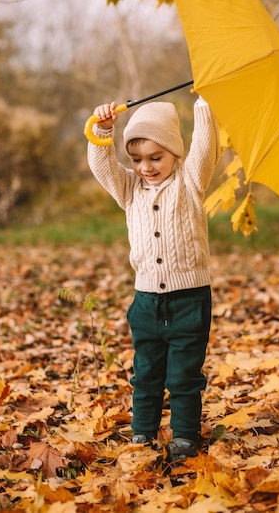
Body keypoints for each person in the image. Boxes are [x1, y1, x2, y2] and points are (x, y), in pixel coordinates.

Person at [87, 96, 220, 460]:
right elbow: (102, 165)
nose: (145, 167)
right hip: (145, 302)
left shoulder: (190, 181)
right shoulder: (129, 189)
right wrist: (103, 128)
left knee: (183, 377)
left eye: (155, 157)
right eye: (137, 159)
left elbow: (206, 146)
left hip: (190, 299)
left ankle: (185, 437)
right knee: (145, 375)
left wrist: (205, 103)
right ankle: (142, 434)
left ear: (175, 152)